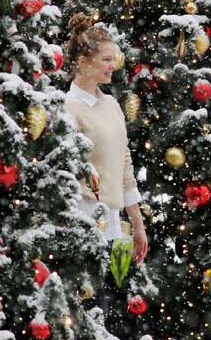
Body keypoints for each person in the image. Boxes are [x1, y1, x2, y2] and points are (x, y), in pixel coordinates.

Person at [63, 13, 148, 266]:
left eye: (114, 59)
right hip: (81, 220)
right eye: (106, 59)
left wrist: (138, 225)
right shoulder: (67, 108)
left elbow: (125, 166)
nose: (113, 65)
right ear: (83, 62)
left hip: (112, 223)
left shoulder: (111, 104)